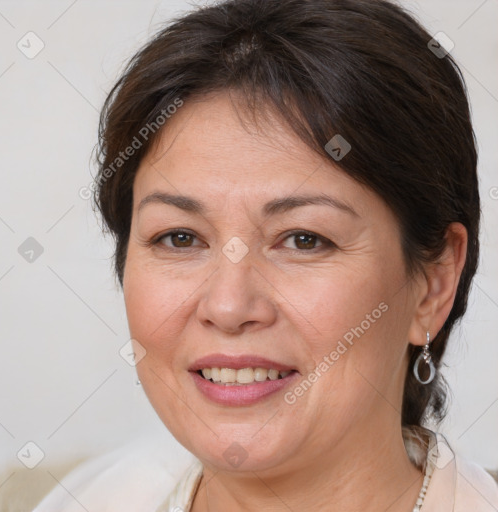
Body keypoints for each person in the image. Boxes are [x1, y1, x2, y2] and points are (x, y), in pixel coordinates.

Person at [34, 0, 498, 510]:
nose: (229, 307)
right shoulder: (86, 499)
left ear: (433, 283)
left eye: (304, 239)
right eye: (180, 238)